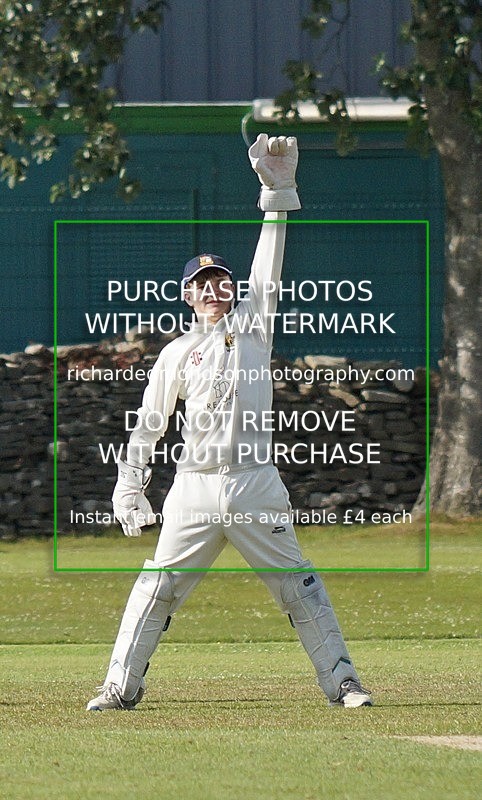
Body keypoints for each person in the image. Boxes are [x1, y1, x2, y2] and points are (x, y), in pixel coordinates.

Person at [87, 134, 372, 711]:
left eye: (221, 279)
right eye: (202, 284)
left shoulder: (253, 327)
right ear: (188, 296)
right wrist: (128, 483)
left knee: (298, 587)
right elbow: (149, 425)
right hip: (194, 486)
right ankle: (119, 687)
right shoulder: (175, 353)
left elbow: (270, 265)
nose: (214, 288)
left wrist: (276, 195)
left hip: (254, 481)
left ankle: (343, 682)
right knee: (156, 588)